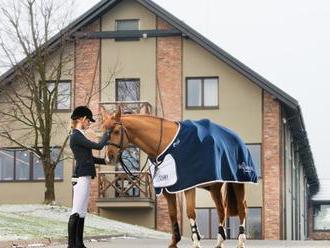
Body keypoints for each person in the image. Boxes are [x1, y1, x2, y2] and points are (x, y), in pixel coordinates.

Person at [67, 106, 110, 248]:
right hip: (80, 176)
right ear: (82, 119)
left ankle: (79, 244)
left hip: (84, 175)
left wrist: (105, 161)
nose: (89, 123)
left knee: (82, 212)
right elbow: (98, 146)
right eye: (88, 121)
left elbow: (89, 158)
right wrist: (107, 134)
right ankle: (72, 245)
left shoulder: (80, 135)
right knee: (76, 211)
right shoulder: (76, 136)